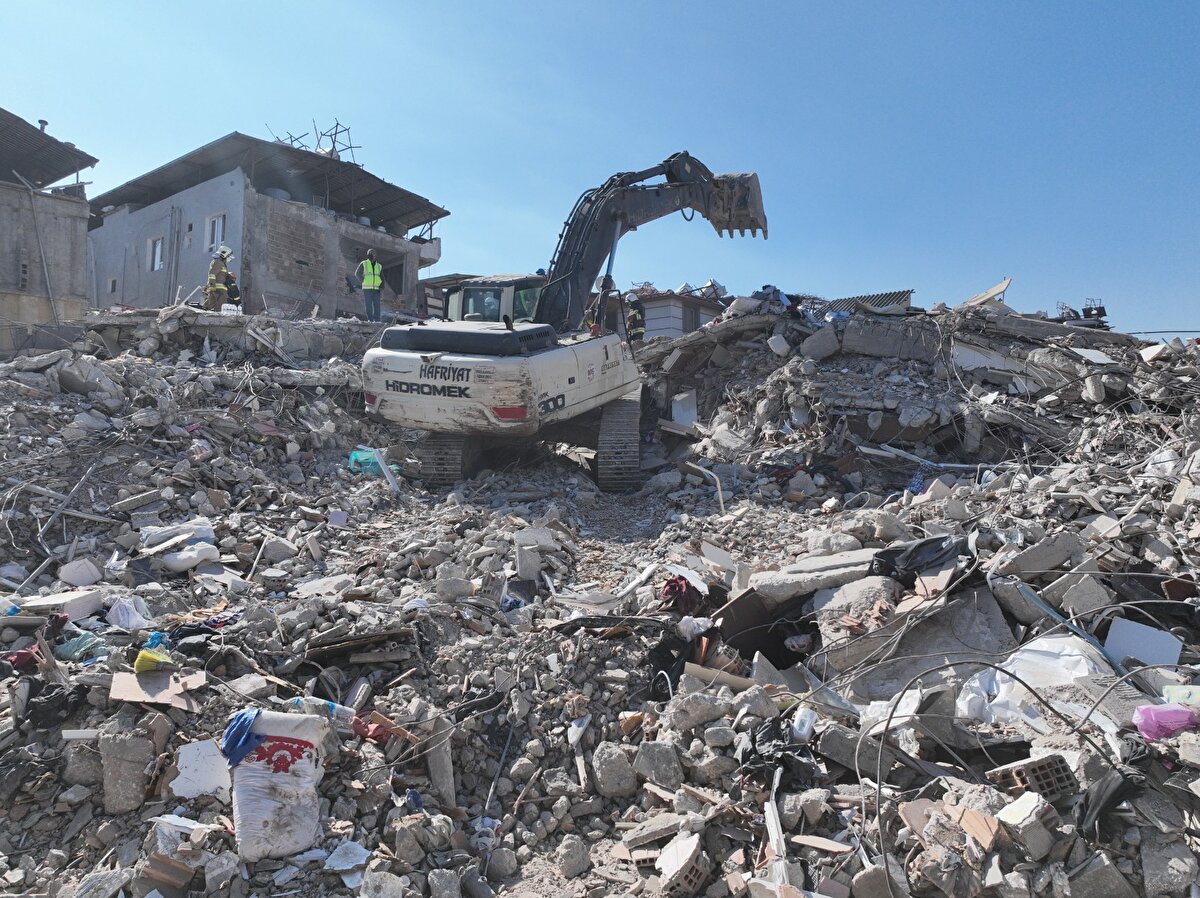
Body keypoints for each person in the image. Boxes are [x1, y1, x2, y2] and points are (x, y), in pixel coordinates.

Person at [355, 249, 383, 322]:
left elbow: (382, 277)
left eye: (373, 253)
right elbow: (357, 273)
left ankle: (377, 320)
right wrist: (363, 281)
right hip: (367, 288)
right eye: (370, 253)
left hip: (376, 289)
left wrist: (382, 285)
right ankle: (370, 320)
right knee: (369, 305)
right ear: (368, 254)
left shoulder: (379, 266)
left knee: (377, 305)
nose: (372, 254)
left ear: (375, 255)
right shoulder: (364, 263)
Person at [204, 245, 235, 311]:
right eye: (228, 256)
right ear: (224, 254)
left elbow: (220, 274)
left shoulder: (222, 263)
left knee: (216, 305)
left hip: (221, 289)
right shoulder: (218, 262)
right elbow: (212, 274)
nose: (229, 258)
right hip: (217, 289)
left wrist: (228, 275)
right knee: (219, 306)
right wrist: (212, 285)